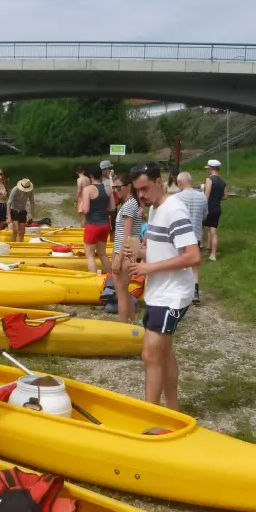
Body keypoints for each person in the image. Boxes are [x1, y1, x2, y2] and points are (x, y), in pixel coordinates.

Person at [127, 161, 201, 410]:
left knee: (150, 355)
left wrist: (148, 268)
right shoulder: (155, 208)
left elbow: (193, 256)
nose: (141, 195)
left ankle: (152, 417)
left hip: (172, 294)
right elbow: (164, 249)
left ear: (159, 182)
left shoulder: (174, 210)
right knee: (164, 353)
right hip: (157, 291)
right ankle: (172, 410)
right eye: (137, 190)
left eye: (145, 188)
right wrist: (140, 253)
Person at [111, 174, 143, 323]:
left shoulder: (129, 205)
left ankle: (123, 325)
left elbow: (127, 236)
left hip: (124, 253)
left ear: (128, 187)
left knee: (121, 293)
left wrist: (119, 258)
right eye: (113, 187)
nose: (115, 190)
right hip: (125, 251)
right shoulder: (130, 204)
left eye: (118, 187)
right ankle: (132, 322)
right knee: (124, 291)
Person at [175, 171, 208, 304]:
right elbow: (205, 215)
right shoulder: (202, 197)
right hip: (196, 235)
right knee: (193, 264)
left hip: (180, 235)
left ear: (179, 183)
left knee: (179, 263)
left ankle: (180, 291)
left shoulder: (177, 198)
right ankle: (195, 291)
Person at [81, 166, 115, 273]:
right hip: (105, 224)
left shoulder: (87, 189)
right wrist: (102, 208)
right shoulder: (109, 189)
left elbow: (86, 210)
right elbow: (112, 208)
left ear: (91, 176)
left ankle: (94, 279)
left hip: (93, 224)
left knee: (90, 255)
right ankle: (111, 276)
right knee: (102, 253)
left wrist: (81, 207)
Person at [202, 159, 228, 261]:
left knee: (204, 229)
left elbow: (206, 195)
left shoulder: (209, 180)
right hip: (217, 208)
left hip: (209, 208)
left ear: (211, 168)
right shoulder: (222, 181)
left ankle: (205, 249)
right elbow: (225, 196)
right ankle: (211, 252)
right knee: (213, 230)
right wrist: (217, 198)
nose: (207, 170)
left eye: (208, 168)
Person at [6, 179, 35, 243]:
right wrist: (9, 216)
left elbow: (32, 202)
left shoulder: (31, 190)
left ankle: (19, 244)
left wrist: (32, 214)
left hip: (22, 210)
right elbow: (8, 203)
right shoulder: (15, 189)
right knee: (15, 230)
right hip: (14, 209)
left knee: (22, 231)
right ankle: (13, 244)